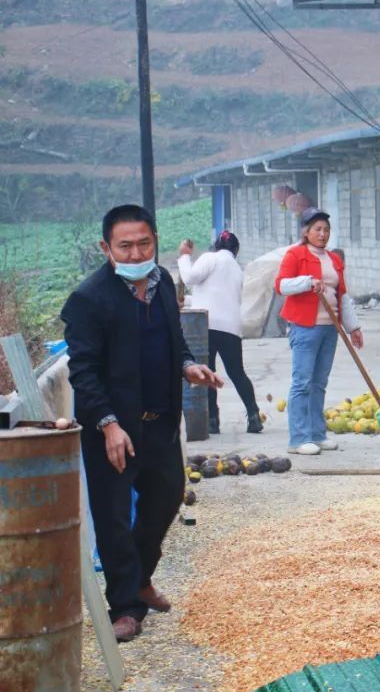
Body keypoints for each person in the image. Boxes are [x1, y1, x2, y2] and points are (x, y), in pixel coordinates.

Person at [61, 204, 222, 642]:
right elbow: (84, 372)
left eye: (144, 243)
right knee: (113, 517)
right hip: (111, 430)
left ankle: (140, 576)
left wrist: (190, 367)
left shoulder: (163, 283)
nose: (135, 254)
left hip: (160, 422)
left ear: (155, 241)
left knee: (166, 498)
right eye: (125, 246)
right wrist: (110, 425)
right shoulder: (88, 299)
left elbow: (174, 343)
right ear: (106, 248)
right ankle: (127, 607)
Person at [274, 207, 363, 456]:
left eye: (326, 229)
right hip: (305, 327)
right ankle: (298, 438)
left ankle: (316, 433)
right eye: (317, 229)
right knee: (302, 382)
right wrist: (307, 282)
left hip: (329, 328)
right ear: (306, 231)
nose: (322, 234)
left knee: (319, 383)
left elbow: (341, 296)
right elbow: (280, 285)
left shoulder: (334, 259)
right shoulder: (296, 254)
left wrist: (353, 326)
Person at [177, 231, 262, 434]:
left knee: (208, 373)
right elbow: (216, 295)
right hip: (230, 328)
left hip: (205, 324)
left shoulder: (210, 257)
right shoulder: (237, 269)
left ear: (216, 247)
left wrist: (185, 255)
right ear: (236, 250)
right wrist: (187, 301)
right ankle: (253, 415)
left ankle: (213, 420)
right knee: (237, 372)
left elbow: (189, 277)